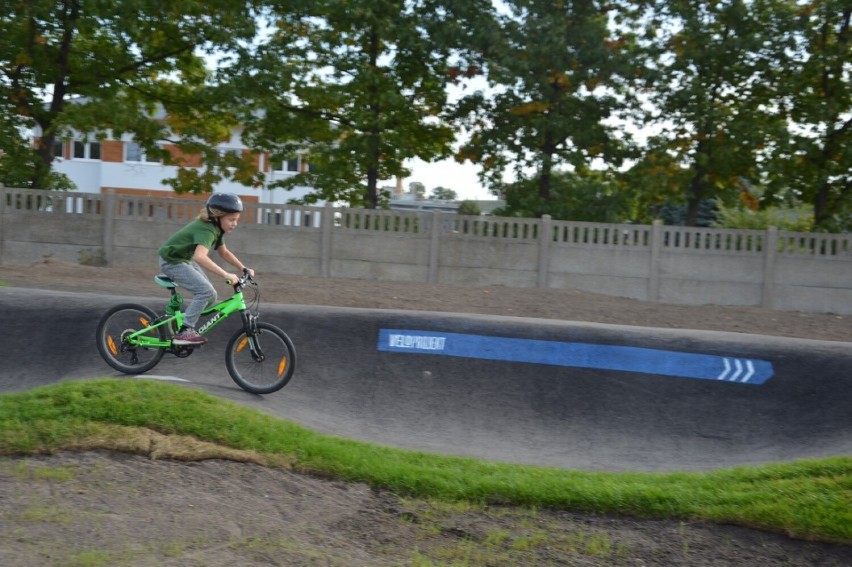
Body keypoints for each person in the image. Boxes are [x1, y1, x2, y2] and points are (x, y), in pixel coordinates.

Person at [158, 193, 255, 345]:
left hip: (183, 260)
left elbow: (224, 252)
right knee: (205, 292)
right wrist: (225, 274)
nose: (235, 223)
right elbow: (200, 257)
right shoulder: (207, 230)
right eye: (231, 219)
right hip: (171, 261)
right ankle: (184, 331)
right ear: (217, 216)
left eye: (236, 220)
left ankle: (181, 321)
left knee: (211, 296)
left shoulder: (216, 229)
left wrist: (243, 268)